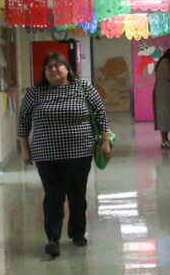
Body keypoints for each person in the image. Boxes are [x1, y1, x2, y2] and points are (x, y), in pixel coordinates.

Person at [17, 52, 110, 258]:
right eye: (48, 66)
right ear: (44, 72)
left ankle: (77, 233)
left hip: (79, 151)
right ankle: (53, 238)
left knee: (77, 195)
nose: (53, 69)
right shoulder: (35, 93)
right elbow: (23, 120)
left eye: (57, 65)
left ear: (68, 68)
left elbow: (100, 114)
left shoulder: (84, 88)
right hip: (46, 154)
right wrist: (25, 147)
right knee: (53, 196)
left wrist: (104, 141)